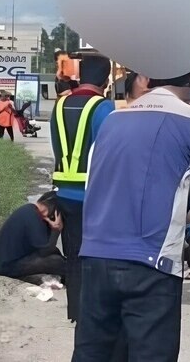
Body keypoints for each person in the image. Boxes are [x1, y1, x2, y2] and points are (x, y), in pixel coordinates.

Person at [72, 68, 190, 362]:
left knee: (94, 353)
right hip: (153, 264)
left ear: (145, 80)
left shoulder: (112, 119)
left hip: (96, 258)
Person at [49, 52, 118, 323]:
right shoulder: (103, 109)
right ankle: (93, 313)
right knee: (97, 255)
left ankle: (75, 312)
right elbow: (109, 153)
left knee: (73, 256)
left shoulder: (59, 105)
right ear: (107, 79)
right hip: (94, 195)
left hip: (63, 194)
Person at [0, 192, 67, 283]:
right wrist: (56, 230)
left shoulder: (29, 211)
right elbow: (45, 251)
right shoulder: (34, 218)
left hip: (8, 262)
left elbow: (46, 247)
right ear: (55, 213)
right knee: (56, 261)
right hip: (7, 268)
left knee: (57, 258)